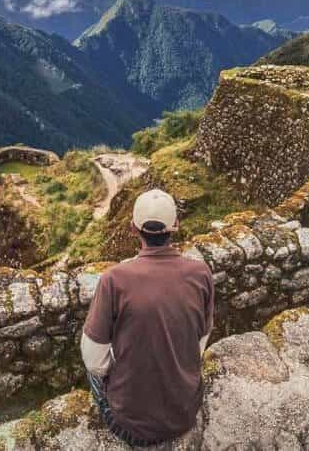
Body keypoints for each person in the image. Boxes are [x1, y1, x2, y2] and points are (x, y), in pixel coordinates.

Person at [80, 189, 214, 445]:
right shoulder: (201, 274)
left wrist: (120, 369)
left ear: (133, 228)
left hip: (131, 426)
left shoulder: (114, 280)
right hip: (185, 412)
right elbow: (201, 338)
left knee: (92, 367)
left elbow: (94, 360)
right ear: (175, 226)